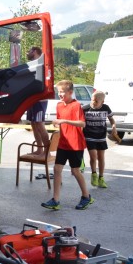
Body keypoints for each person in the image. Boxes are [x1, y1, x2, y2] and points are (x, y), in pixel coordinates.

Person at [42, 80, 93, 210]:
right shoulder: (59, 105)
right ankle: (55, 200)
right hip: (63, 143)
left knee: (75, 171)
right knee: (57, 169)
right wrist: (58, 124)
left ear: (70, 92)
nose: (60, 95)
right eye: (58, 92)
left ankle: (86, 196)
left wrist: (64, 120)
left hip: (75, 144)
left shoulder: (76, 106)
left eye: (62, 92)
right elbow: (61, 121)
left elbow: (82, 124)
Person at [83, 90, 115, 188]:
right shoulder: (85, 109)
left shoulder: (106, 108)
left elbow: (111, 119)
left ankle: (101, 178)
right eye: (93, 100)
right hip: (89, 136)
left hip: (101, 137)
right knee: (93, 157)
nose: (94, 102)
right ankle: (94, 175)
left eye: (97, 101)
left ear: (102, 102)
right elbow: (80, 122)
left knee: (101, 157)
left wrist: (114, 127)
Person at [25, 47, 50, 156]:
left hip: (40, 100)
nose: (28, 53)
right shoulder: (31, 64)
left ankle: (47, 151)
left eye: (30, 51)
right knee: (33, 124)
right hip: (31, 98)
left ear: (35, 52)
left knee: (40, 124)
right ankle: (40, 149)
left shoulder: (41, 63)